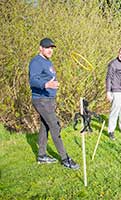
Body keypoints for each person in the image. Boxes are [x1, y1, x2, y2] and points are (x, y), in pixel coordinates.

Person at [29, 38, 79, 169]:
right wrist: (46, 84)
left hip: (49, 100)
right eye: (47, 47)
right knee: (55, 126)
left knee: (45, 126)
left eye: (51, 48)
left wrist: (52, 85)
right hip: (41, 99)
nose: (50, 50)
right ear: (40, 48)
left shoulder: (47, 62)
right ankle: (65, 158)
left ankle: (41, 155)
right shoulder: (36, 61)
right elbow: (33, 80)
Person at [105, 47, 121, 140]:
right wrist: (108, 92)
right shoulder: (113, 64)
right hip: (116, 91)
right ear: (118, 53)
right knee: (114, 112)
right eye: (120, 53)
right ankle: (111, 131)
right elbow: (108, 78)